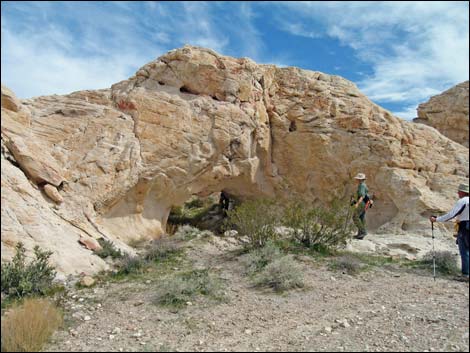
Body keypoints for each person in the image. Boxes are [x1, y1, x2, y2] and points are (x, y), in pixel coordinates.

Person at [430, 183, 469, 281]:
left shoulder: (463, 201)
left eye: (458, 191)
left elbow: (452, 214)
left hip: (465, 227)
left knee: (465, 251)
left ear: (461, 192)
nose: (458, 193)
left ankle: (466, 275)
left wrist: (437, 219)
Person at [352, 173, 373, 239]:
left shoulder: (361, 186)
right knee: (361, 218)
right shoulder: (364, 185)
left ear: (359, 179)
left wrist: (357, 203)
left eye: (357, 179)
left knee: (355, 217)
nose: (357, 180)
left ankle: (363, 232)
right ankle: (360, 235)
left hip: (362, 203)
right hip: (365, 203)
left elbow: (362, 196)